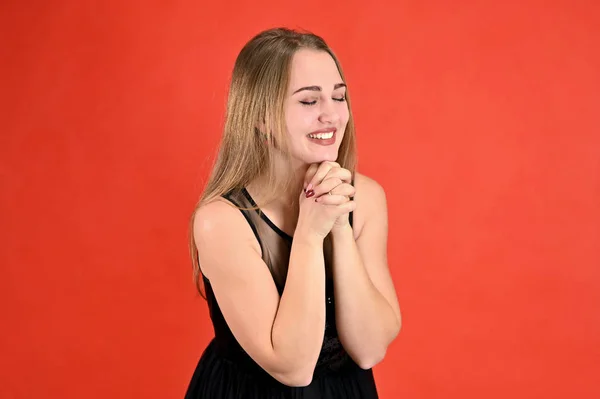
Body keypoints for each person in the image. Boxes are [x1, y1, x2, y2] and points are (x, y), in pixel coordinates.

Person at [185, 27, 401, 399]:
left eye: (339, 96)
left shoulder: (366, 197)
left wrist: (338, 225)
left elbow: (370, 348)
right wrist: (310, 233)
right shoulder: (220, 221)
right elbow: (294, 367)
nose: (331, 115)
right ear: (261, 117)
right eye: (308, 101)